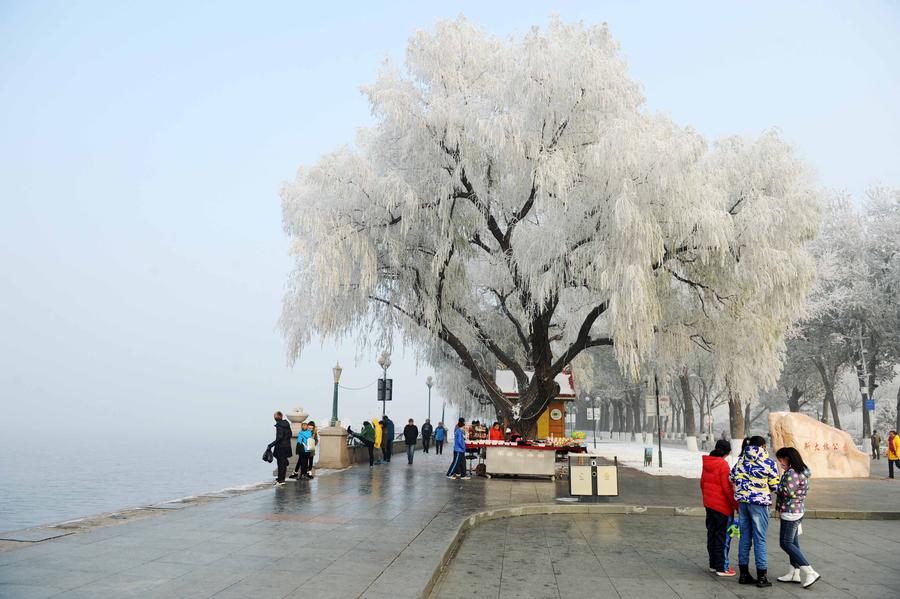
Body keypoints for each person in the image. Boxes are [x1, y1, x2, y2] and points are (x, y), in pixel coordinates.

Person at [730, 435, 779, 587]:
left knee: (744, 537)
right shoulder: (768, 462)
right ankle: (762, 577)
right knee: (760, 539)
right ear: (763, 446)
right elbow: (775, 485)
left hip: (743, 503)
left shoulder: (740, 460)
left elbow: (731, 477)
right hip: (759, 504)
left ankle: (744, 575)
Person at [774, 446, 820, 588]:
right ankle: (794, 573)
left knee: (786, 543)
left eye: (781, 459)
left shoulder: (792, 473)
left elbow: (787, 492)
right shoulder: (802, 471)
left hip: (790, 511)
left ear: (788, 458)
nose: (780, 462)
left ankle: (810, 571)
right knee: (793, 543)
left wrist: (774, 486)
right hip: (797, 510)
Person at [701, 439, 739, 577]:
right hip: (722, 508)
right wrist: (736, 506)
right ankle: (722, 567)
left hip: (709, 505)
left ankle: (713, 564)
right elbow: (728, 490)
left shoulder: (707, 463)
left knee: (712, 534)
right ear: (728, 452)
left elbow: (702, 483)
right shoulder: (723, 465)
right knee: (723, 537)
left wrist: (707, 500)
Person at [268, 411, 292, 486]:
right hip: (287, 446)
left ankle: (281, 480)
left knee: (281, 464)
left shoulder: (279, 426)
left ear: (276, 418)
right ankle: (281, 479)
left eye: (274, 416)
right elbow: (290, 434)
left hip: (281, 447)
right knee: (283, 463)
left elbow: (279, 437)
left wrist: (271, 445)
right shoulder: (287, 424)